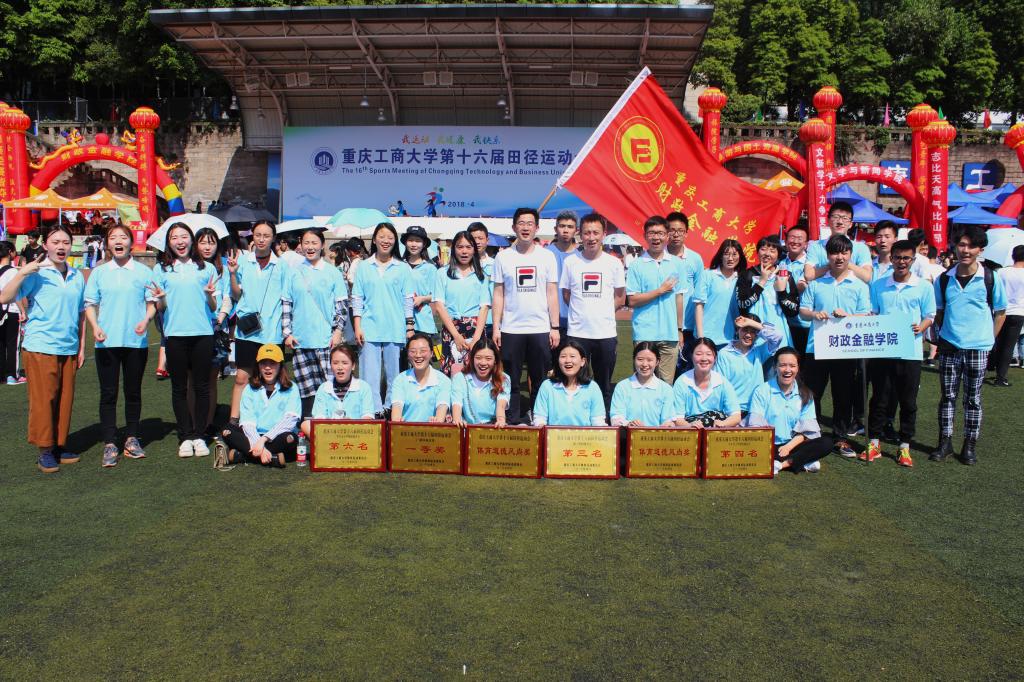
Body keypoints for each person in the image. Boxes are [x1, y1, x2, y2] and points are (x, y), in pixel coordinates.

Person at [0, 226, 86, 473]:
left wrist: (81, 346)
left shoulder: (77, 275)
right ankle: (45, 449)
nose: (61, 246)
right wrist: (22, 272)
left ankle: (59, 444)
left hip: (68, 346)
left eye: (66, 242)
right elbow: (4, 297)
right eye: (55, 242)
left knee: (64, 398)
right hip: (40, 345)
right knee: (43, 399)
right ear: (45, 245)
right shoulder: (37, 272)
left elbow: (80, 313)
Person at [930, 226, 1007, 465]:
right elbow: (939, 311)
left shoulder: (990, 277)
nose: (965, 250)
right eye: (961, 245)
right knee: (947, 397)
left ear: (980, 250)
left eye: (971, 246)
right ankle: (945, 443)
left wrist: (989, 339)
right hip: (950, 345)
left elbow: (1001, 312)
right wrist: (945, 333)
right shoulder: (944, 279)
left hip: (978, 347)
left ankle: (969, 445)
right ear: (954, 247)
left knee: (973, 398)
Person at [83, 225, 158, 467]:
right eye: (113, 237)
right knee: (108, 393)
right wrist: (95, 326)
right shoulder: (99, 272)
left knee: (133, 391)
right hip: (106, 342)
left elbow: (152, 303)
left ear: (131, 242)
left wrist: (146, 320)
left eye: (123, 237)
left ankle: (132, 438)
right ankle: (109, 442)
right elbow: (90, 304)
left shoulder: (143, 272)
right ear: (107, 243)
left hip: (136, 342)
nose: (118, 241)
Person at [862, 239, 936, 467]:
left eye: (906, 258)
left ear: (913, 260)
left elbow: (930, 315)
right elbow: (873, 312)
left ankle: (904, 445)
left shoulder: (923, 286)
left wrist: (921, 327)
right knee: (879, 398)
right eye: (897, 258)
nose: (901, 262)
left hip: (910, 352)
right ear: (891, 259)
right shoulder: (879, 285)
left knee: (908, 401)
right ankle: (874, 443)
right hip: (883, 350)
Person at [151, 223, 221, 458]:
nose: (180, 242)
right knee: (179, 388)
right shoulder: (161, 269)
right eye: (174, 238)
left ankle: (200, 435)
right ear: (168, 243)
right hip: (175, 335)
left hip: (202, 334)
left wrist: (210, 296)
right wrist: (161, 299)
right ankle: (185, 436)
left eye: (184, 237)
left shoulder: (207, 268)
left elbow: (214, 307)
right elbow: (160, 307)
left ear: (191, 240)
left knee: (202, 387)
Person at [798, 234, 872, 458]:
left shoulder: (859, 285)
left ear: (850, 255)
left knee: (843, 394)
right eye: (834, 253)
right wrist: (815, 314)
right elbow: (803, 310)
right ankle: (812, 433)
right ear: (827, 255)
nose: (839, 257)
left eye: (844, 253)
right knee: (812, 393)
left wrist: (848, 316)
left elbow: (866, 314)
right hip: (816, 347)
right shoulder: (817, 283)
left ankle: (840, 438)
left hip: (845, 348)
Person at [491, 208, 560, 424]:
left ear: (537, 228)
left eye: (530, 223)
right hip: (511, 328)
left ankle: (538, 417)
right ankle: (512, 418)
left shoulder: (547, 256)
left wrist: (554, 327)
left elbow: (552, 293)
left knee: (540, 378)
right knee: (510, 378)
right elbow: (499, 294)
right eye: (521, 223)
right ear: (514, 227)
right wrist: (496, 327)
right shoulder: (503, 257)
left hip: (540, 328)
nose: (525, 227)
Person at [559, 213, 625, 410]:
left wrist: (602, 312)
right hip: (577, 333)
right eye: (587, 233)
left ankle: (602, 418)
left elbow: (620, 298)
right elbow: (566, 294)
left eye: (596, 232)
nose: (591, 237)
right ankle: (575, 416)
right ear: (580, 235)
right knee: (575, 381)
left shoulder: (614, 263)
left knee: (604, 383)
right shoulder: (571, 262)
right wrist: (582, 311)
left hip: (605, 333)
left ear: (604, 234)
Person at [282, 229, 349, 417]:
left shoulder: (332, 272)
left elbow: (342, 305)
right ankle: (308, 425)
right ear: (301, 245)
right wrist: (287, 333)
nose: (310, 247)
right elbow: (286, 303)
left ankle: (332, 423)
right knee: (306, 390)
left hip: (326, 340)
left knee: (330, 386)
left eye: (314, 243)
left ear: (322, 245)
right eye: (306, 243)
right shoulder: (293, 272)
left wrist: (338, 331)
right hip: (301, 340)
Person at [352, 222, 414, 417]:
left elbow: (407, 300)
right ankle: (372, 411)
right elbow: (357, 298)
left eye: (390, 237)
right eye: (382, 236)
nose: (386, 241)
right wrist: (357, 326)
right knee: (369, 373)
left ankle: (391, 409)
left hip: (394, 327)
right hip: (369, 327)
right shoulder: (364, 266)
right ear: (374, 239)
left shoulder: (402, 268)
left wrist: (409, 326)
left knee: (394, 374)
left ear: (395, 241)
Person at [227, 220, 285, 421]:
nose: (261, 239)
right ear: (253, 236)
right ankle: (234, 420)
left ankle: (270, 420)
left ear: (273, 238)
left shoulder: (281, 265)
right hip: (247, 331)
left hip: (272, 332)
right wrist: (232, 274)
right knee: (241, 378)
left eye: (266, 236)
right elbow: (236, 295)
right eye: (258, 235)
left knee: (271, 379)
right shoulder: (243, 261)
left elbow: (288, 298)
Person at [746, 347, 832, 474]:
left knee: (826, 443)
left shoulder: (806, 394)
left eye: (792, 366)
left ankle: (781, 465)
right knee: (752, 449)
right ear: (775, 367)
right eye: (782, 365)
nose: (787, 370)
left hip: (792, 445)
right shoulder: (762, 391)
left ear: (798, 368)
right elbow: (755, 426)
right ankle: (802, 461)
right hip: (767, 444)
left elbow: (807, 430)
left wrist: (788, 446)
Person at [625, 216, 686, 383]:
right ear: (645, 236)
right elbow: (632, 300)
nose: (656, 237)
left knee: (666, 384)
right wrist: (660, 291)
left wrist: (679, 329)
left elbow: (679, 298)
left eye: (660, 233)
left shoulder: (677, 263)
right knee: (643, 381)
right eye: (651, 233)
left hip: (670, 334)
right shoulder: (637, 265)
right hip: (644, 333)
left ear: (667, 236)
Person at [219, 344, 300, 467]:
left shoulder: (292, 388)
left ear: (280, 366)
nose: (267, 367)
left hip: (278, 436)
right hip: (253, 435)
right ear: (258, 366)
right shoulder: (249, 389)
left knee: (290, 438)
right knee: (227, 430)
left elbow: (290, 420)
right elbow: (247, 422)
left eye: (272, 363)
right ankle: (272, 458)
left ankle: (242, 455)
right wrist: (259, 444)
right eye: (263, 363)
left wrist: (264, 440)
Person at [432, 230, 490, 375]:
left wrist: (476, 338)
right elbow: (439, 306)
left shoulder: (481, 275)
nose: (464, 251)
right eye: (460, 247)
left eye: (468, 247)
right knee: (451, 372)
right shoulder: (442, 273)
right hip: (451, 329)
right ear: (453, 249)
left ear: (474, 250)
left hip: (476, 329)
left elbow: (484, 307)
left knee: (477, 372)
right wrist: (456, 336)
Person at [194, 227, 233, 430]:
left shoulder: (223, 269)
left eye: (211, 242)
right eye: (202, 242)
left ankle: (208, 422)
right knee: (193, 379)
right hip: (194, 328)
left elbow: (228, 297)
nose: (207, 247)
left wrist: (220, 318)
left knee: (211, 379)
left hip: (216, 329)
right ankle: (194, 421)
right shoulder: (190, 268)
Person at [714, 314, 783, 414]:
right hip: (732, 410)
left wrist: (750, 323)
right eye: (745, 330)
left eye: (753, 331)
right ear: (737, 330)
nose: (748, 335)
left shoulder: (759, 351)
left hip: (757, 408)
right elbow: (721, 386)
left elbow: (777, 336)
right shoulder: (724, 354)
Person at [737, 235, 798, 347]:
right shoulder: (747, 274)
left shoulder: (785, 276)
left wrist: (782, 292)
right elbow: (742, 304)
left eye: (772, 251)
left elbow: (793, 311)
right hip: (752, 333)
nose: (767, 254)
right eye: (763, 249)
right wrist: (761, 282)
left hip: (778, 334)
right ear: (757, 252)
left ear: (778, 254)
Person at [532, 340, 606, 426]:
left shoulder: (592, 387)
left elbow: (598, 421)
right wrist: (541, 425)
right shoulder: (547, 386)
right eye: (563, 356)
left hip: (584, 435)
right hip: (553, 435)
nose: (567, 360)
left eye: (572, 356)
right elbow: (540, 418)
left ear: (582, 361)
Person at [302, 344, 375, 433]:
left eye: (345, 363)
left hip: (356, 433)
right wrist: (334, 424)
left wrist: (352, 424)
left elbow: (368, 416)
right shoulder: (323, 388)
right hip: (330, 432)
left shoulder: (364, 387)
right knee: (305, 425)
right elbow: (319, 417)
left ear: (353, 366)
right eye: (335, 363)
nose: (340, 367)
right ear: (331, 365)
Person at [671, 338, 742, 428]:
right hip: (691, 432)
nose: (704, 358)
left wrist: (723, 424)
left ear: (715, 357)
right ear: (691, 356)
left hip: (717, 431)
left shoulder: (722, 382)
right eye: (699, 354)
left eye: (708, 354)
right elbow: (677, 419)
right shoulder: (681, 382)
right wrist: (690, 426)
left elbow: (736, 416)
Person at [665, 211, 705, 371]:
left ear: (686, 233)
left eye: (680, 231)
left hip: (688, 325)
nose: (676, 235)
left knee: (687, 370)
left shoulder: (695, 258)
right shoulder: (659, 256)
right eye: (672, 230)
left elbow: (700, 292)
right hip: (665, 324)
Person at [609, 342, 676, 427]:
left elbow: (668, 420)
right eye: (640, 359)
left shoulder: (666, 389)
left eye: (649, 360)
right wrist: (629, 424)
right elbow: (616, 418)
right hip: (629, 433)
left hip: (656, 435)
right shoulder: (622, 387)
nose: (644, 364)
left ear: (657, 362)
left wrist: (667, 425)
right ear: (634, 360)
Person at [804, 202, 873, 284]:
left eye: (845, 218)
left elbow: (867, 277)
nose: (840, 221)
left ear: (850, 224)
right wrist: (834, 264)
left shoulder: (861, 248)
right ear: (828, 220)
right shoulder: (816, 246)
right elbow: (808, 275)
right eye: (836, 217)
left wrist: (843, 263)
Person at [390, 332, 451, 422]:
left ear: (431, 353)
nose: (418, 355)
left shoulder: (443, 381)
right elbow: (397, 408)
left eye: (423, 351)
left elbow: (441, 409)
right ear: (408, 355)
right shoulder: (400, 380)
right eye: (413, 351)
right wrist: (397, 421)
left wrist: (436, 422)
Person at [694, 239, 744, 348]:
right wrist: (701, 337)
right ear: (720, 256)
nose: (730, 258)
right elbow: (699, 306)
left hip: (732, 339)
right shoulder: (707, 275)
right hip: (707, 338)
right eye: (726, 254)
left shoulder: (742, 278)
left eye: (734, 254)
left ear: (740, 256)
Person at [450, 337, 510, 426]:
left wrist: (501, 420)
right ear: (472, 359)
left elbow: (501, 406)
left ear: (495, 360)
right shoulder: (459, 378)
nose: (483, 363)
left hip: (492, 427)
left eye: (488, 358)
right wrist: (457, 420)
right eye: (478, 358)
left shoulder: (504, 378)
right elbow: (456, 404)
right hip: (467, 427)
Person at [401, 225, 438, 356]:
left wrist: (422, 298)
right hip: (401, 320)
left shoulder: (430, 268)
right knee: (404, 359)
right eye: (411, 240)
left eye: (418, 241)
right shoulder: (399, 266)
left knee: (423, 357)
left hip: (423, 321)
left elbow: (437, 295)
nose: (414, 244)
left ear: (424, 244)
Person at [991, 245, 1024, 387]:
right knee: (1008, 346)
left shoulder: (1001, 272)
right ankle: (1000, 377)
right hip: (1018, 312)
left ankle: (990, 364)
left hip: (1000, 311)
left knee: (995, 340)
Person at [545, 210, 579, 335]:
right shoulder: (544, 254)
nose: (565, 230)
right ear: (556, 229)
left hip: (573, 321)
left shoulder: (581, 258)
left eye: (570, 227)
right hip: (546, 321)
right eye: (562, 226)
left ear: (576, 231)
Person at [781, 224, 811, 358]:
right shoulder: (780, 263)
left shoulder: (811, 265)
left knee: (804, 363)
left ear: (806, 244)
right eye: (792, 237)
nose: (795, 241)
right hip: (784, 323)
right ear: (786, 240)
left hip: (804, 324)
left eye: (800, 239)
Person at [0, 241, 25, 385]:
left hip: (0, 310)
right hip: (11, 311)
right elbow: (16, 294)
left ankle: (2, 375)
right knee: (12, 344)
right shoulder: (13, 272)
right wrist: (23, 311)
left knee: (1, 343)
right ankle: (12, 375)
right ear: (10, 252)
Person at [467, 221, 495, 336]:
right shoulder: (462, 267)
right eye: (474, 238)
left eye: (480, 238)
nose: (477, 242)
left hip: (491, 321)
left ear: (487, 240)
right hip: (469, 321)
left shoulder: (495, 265)